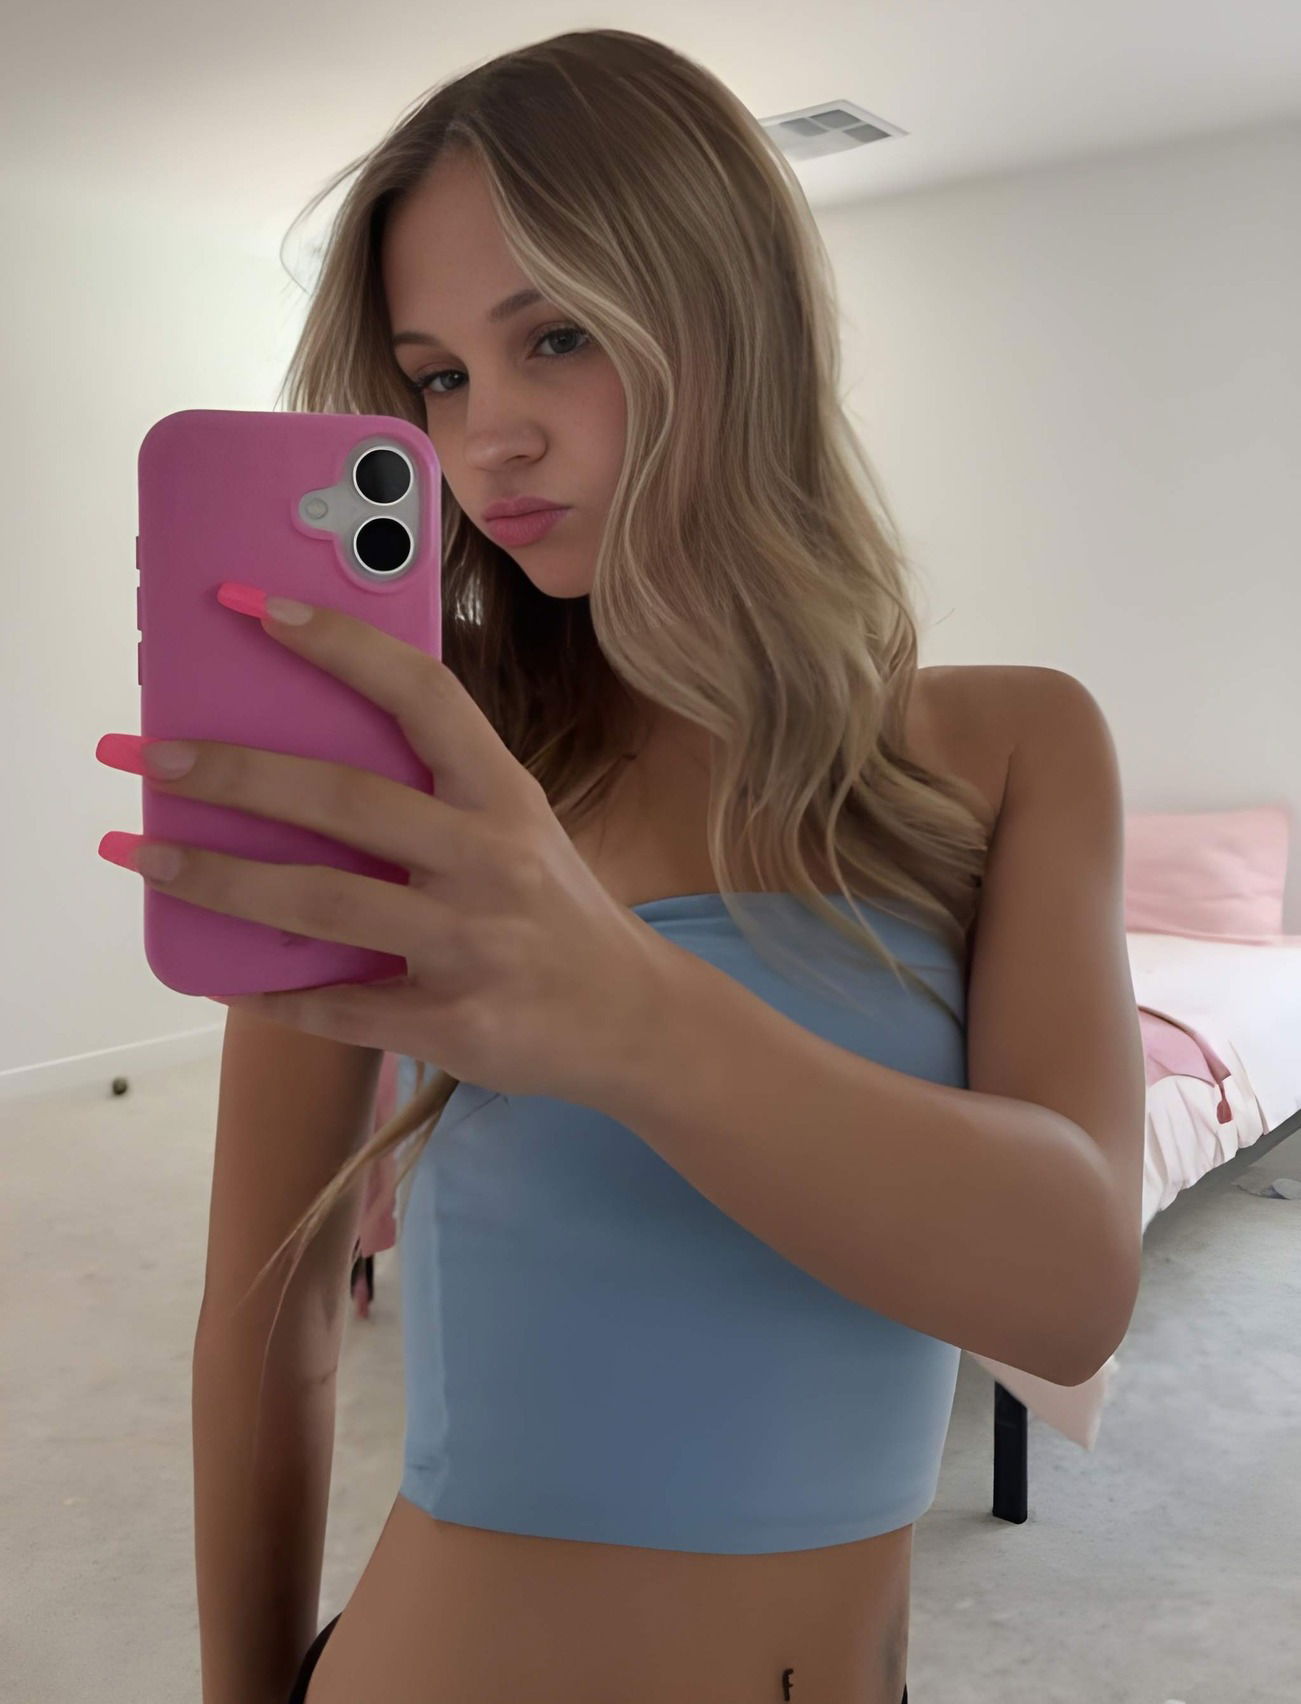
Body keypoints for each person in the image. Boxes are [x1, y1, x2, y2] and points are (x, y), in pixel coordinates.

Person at [193, 27, 1006, 1704]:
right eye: (436, 377)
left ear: (730, 314)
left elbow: (1065, 1295)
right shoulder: (405, 765)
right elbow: (270, 1310)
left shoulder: (1009, 750)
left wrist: (619, 1009)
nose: (485, 439)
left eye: (553, 338)